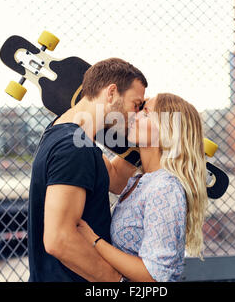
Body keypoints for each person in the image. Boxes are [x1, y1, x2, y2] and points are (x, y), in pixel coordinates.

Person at [28, 58, 148, 282]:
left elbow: (115, 179)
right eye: (136, 104)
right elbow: (59, 239)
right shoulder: (73, 147)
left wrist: (143, 139)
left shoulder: (67, 134)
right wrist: (116, 281)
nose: (137, 114)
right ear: (111, 93)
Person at [77, 93, 209, 282]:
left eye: (145, 112)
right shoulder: (141, 179)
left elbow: (154, 276)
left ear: (167, 129)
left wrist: (94, 241)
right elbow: (105, 168)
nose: (134, 115)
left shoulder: (165, 188)